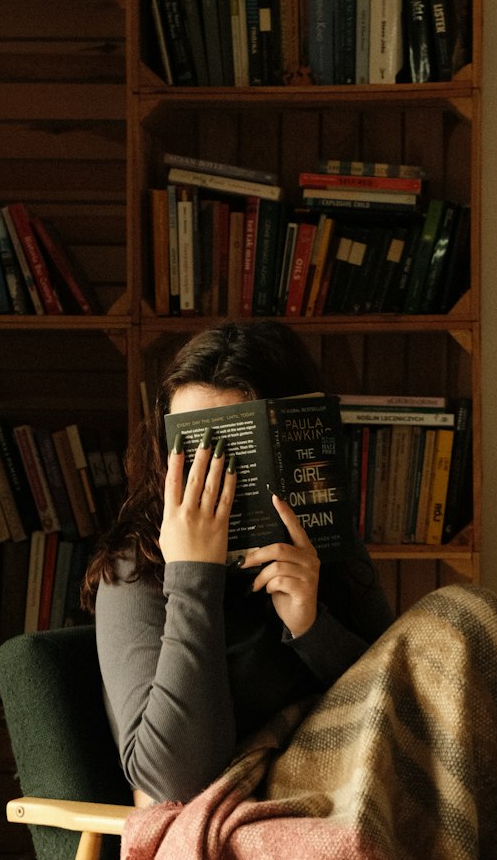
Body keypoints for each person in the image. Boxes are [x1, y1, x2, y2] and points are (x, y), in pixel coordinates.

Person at [83, 321, 395, 806]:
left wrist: (314, 629)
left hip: (344, 800)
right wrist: (192, 578)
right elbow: (174, 781)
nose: (213, 475)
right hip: (239, 828)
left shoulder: (326, 545)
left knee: (464, 615)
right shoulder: (135, 569)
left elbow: (400, 714)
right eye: (194, 448)